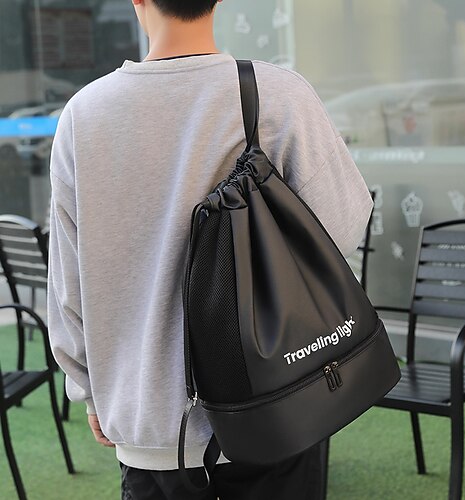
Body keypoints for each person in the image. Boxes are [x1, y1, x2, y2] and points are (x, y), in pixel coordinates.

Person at [47, 1, 374, 498]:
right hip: (279, 400)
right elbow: (345, 225)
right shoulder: (276, 94)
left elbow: (68, 285)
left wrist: (89, 390)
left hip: (151, 419)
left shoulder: (83, 115)